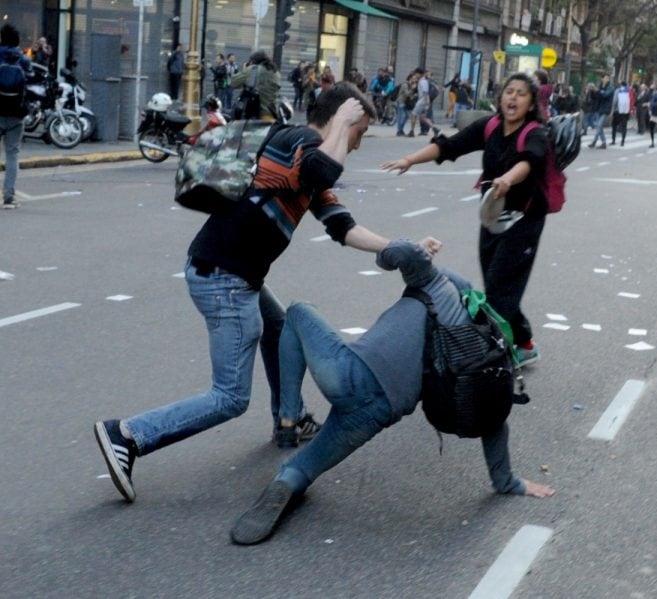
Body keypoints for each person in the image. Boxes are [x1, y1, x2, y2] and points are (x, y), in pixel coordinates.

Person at [94, 82, 440, 503]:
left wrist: (403, 250)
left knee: (278, 329)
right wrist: (344, 125)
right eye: (359, 130)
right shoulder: (297, 142)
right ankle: (128, 435)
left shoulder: (306, 161)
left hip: (234, 274)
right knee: (230, 397)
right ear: (340, 118)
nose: (359, 140)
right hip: (224, 278)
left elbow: (343, 226)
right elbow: (322, 169)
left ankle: (287, 419)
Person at [230, 240, 555, 545]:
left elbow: (403, 251)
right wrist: (508, 481)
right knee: (301, 468)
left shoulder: (436, 283)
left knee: (298, 312)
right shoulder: (477, 343)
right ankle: (289, 479)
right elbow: (492, 412)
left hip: (348, 376)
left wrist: (399, 249)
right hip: (378, 412)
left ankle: (289, 417)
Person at [382, 72, 549, 367]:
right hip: (493, 215)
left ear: (532, 102)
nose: (513, 97)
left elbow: (529, 161)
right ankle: (524, 342)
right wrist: (409, 160)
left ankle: (494, 357)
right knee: (498, 283)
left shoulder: (535, 133)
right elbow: (450, 145)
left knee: (499, 289)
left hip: (524, 220)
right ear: (500, 97)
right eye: (509, 91)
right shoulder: (491, 126)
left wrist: (508, 179)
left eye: (521, 93)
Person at [0, 23, 32, 210]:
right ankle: (9, 196)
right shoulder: (23, 59)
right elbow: (31, 79)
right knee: (12, 154)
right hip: (15, 114)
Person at [230, 51, 281, 120]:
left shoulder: (253, 69)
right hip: (273, 114)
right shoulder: (275, 72)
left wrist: (245, 69)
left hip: (256, 114)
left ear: (253, 61)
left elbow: (233, 83)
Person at [409, 67, 440, 137]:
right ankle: (435, 129)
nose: (415, 75)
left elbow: (426, 93)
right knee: (423, 118)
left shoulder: (422, 81)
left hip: (422, 101)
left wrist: (427, 103)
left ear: (419, 74)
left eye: (416, 74)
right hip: (423, 101)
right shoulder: (423, 81)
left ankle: (412, 131)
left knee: (413, 115)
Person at [588, 74, 613, 149]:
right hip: (599, 109)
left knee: (599, 125)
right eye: (605, 78)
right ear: (602, 79)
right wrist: (592, 91)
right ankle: (604, 143)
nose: (606, 79)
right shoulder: (600, 87)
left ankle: (594, 142)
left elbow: (605, 95)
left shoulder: (610, 88)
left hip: (605, 109)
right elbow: (595, 97)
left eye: (607, 78)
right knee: (600, 127)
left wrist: (597, 91)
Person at [610, 81, 632, 147]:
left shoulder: (617, 90)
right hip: (626, 112)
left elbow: (614, 101)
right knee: (624, 127)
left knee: (614, 126)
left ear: (621, 85)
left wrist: (612, 111)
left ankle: (613, 140)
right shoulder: (629, 91)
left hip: (618, 111)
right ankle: (623, 141)